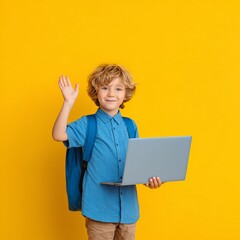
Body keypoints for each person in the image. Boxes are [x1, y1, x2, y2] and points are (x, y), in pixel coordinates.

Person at [52, 64, 162, 240]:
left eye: (118, 89)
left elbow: (138, 165)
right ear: (96, 92)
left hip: (128, 212)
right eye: (105, 87)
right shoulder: (88, 124)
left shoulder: (130, 125)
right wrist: (68, 103)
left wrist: (150, 180)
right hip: (98, 210)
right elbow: (58, 135)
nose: (111, 94)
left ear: (125, 94)